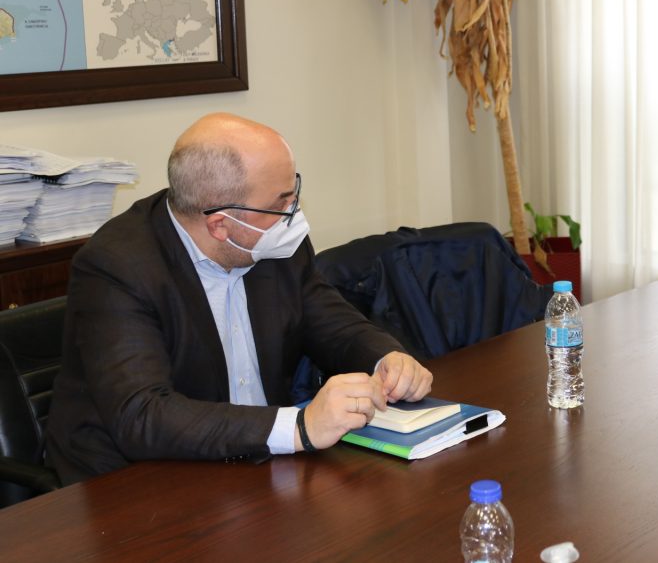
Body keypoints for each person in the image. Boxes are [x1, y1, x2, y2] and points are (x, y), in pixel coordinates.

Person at [46, 113, 433, 484]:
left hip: (258, 462)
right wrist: (299, 427)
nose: (293, 214)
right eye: (280, 203)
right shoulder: (116, 267)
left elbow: (328, 319)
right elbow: (142, 415)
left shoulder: (271, 240)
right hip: (138, 479)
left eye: (293, 192)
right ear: (220, 224)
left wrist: (385, 357)